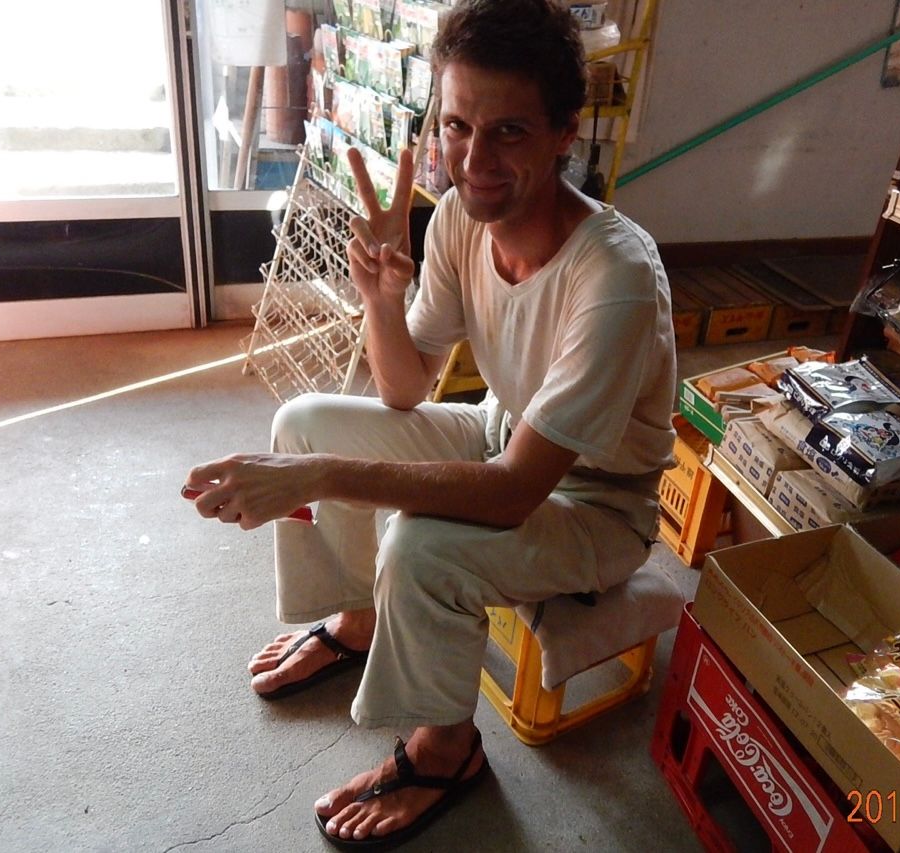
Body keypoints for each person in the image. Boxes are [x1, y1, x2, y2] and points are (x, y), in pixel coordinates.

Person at [186, 0, 676, 846]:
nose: (473, 160)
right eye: (457, 126)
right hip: (500, 430)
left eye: (509, 132)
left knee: (419, 543)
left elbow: (518, 492)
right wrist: (380, 298)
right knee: (306, 421)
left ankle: (447, 749)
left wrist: (321, 479)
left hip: (598, 504)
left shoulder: (616, 275)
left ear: (566, 133)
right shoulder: (457, 218)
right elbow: (407, 388)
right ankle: (359, 616)